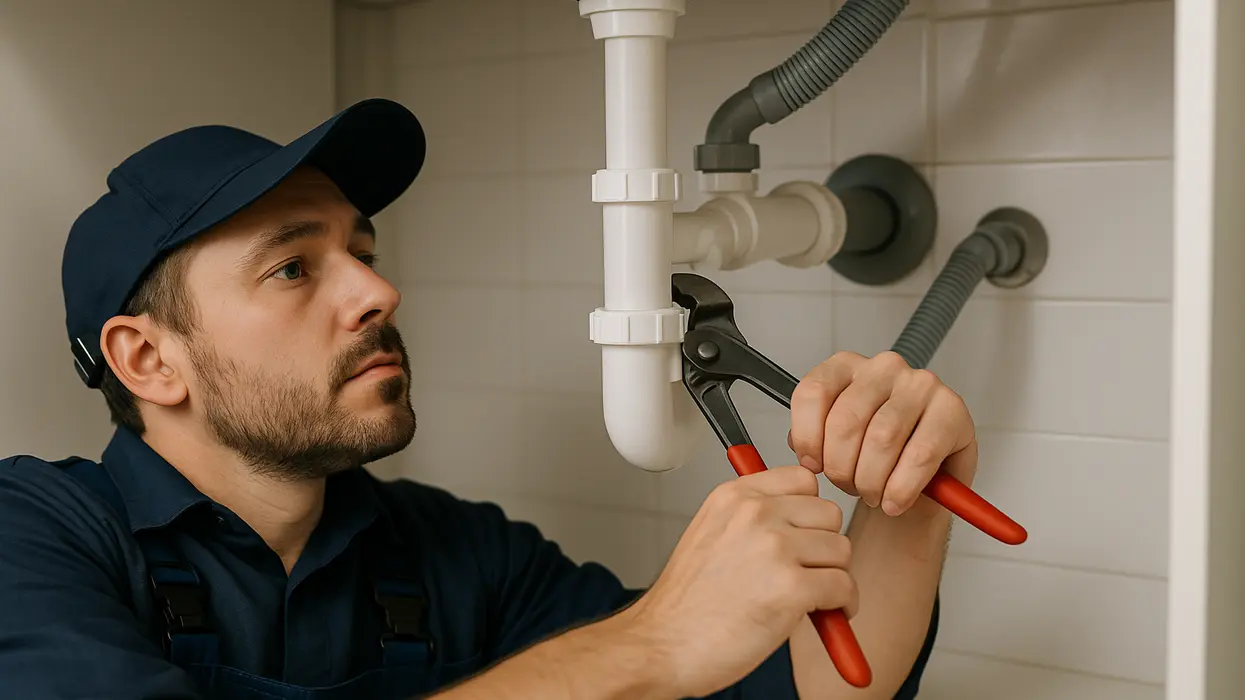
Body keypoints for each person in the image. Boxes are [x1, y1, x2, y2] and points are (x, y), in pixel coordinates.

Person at [0, 98, 975, 699]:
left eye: (363, 252)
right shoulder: (30, 538)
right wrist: (646, 643)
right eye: (295, 267)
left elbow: (804, 686)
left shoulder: (460, 557)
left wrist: (908, 502)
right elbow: (659, 657)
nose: (376, 292)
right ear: (148, 360)